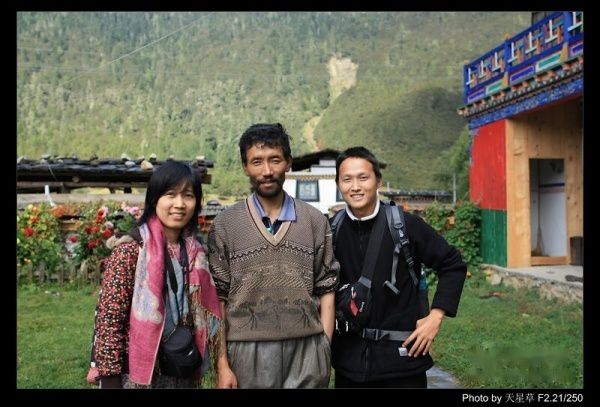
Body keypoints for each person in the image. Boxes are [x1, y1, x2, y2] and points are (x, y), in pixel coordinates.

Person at [207, 123, 339, 388]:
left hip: (307, 350)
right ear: (245, 167)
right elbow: (217, 298)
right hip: (245, 352)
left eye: (275, 160)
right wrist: (222, 365)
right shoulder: (225, 224)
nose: (267, 171)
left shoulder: (315, 221)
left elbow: (327, 286)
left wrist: (323, 347)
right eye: (257, 161)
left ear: (288, 163)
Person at [331, 146, 467, 388]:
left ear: (378, 181)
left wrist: (436, 316)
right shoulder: (332, 230)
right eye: (347, 179)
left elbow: (452, 264)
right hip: (349, 367)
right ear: (338, 184)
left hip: (402, 363)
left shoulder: (405, 226)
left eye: (363, 177)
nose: (355, 186)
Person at [92, 161, 223, 388]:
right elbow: (109, 321)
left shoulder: (196, 253)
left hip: (182, 368)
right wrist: (110, 381)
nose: (179, 204)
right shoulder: (131, 251)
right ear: (155, 199)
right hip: (136, 376)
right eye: (170, 194)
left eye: (188, 195)